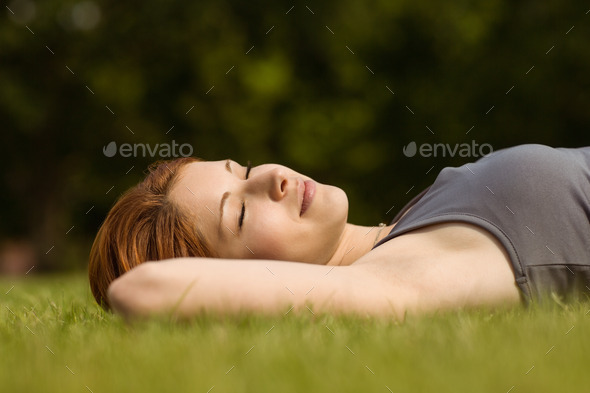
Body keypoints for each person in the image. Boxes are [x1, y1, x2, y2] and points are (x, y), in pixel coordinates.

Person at [88, 144, 590, 321]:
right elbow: (142, 290)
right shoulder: (404, 275)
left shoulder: (406, 230)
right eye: (238, 215)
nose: (271, 177)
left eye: (241, 171)